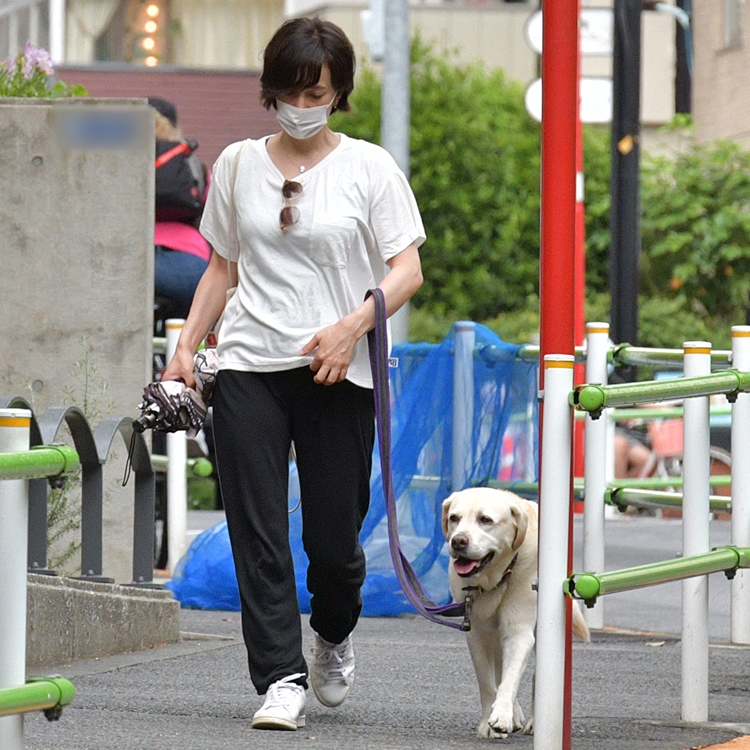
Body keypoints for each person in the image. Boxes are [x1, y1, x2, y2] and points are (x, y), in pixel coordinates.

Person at [162, 17, 425, 732]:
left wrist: (351, 328)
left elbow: (408, 271)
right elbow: (222, 266)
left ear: (339, 93)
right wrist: (187, 348)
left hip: (339, 370)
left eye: (316, 90)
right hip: (249, 362)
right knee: (255, 529)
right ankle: (280, 676)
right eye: (289, 89)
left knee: (335, 546)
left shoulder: (369, 167)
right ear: (270, 90)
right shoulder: (241, 164)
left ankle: (334, 635)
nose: (301, 102)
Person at [149, 97, 211, 324]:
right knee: (197, 323)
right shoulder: (193, 165)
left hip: (128, 264)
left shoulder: (115, 162)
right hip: (187, 266)